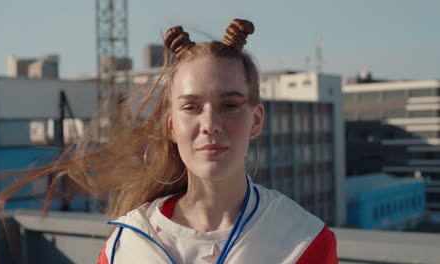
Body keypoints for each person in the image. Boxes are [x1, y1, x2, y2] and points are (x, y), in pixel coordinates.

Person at [95, 18, 337, 264]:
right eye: (191, 107)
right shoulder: (126, 246)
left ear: (256, 120)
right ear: (171, 126)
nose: (210, 124)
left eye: (229, 105)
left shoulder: (302, 240)